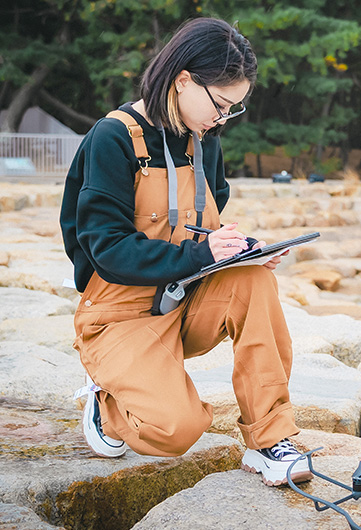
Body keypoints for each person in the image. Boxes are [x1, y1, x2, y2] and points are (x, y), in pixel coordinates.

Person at [59, 17, 311, 487]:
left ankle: (268, 440)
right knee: (176, 430)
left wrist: (240, 252)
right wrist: (202, 255)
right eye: (220, 104)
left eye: (233, 109)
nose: (222, 118)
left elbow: (202, 229)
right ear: (181, 80)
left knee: (256, 280)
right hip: (119, 313)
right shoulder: (112, 138)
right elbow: (107, 250)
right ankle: (105, 400)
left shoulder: (205, 141)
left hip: (184, 299)